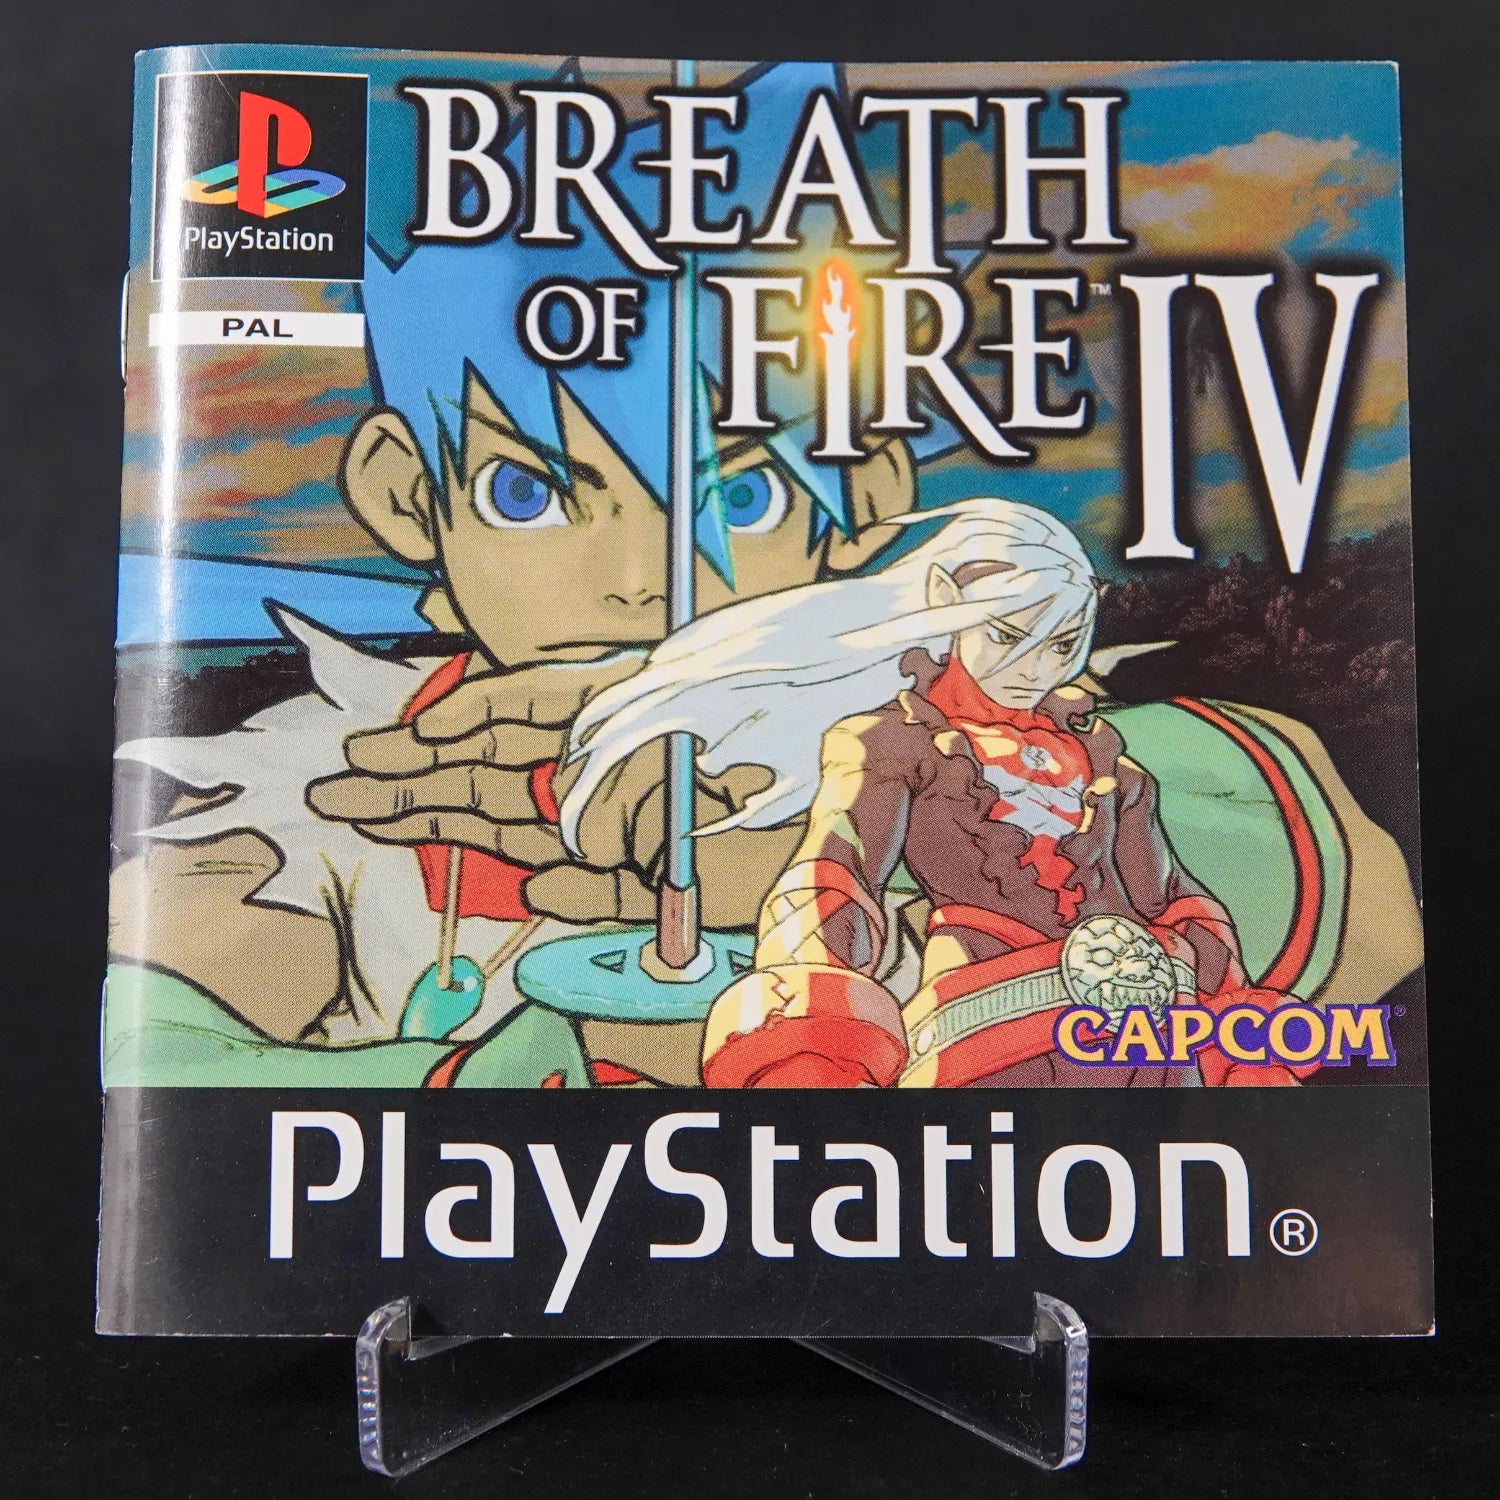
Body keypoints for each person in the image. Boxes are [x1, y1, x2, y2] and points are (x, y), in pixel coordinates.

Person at [105, 63, 928, 1084]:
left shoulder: (932, 775)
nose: (640, 582)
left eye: (739, 499)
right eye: (528, 494)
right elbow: (163, 1060)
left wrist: (800, 893)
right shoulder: (342, 779)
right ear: (406, 496)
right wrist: (547, 1060)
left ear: (864, 502)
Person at [561, 499, 1394, 1088]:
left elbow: (1170, 896)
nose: (1034, 668)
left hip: (1148, 1043)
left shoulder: (1109, 760)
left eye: (1061, 644)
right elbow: (832, 879)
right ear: (945, 607)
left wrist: (1217, 1010)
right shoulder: (893, 744)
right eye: (1008, 635)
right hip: (988, 1038)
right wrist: (812, 1052)